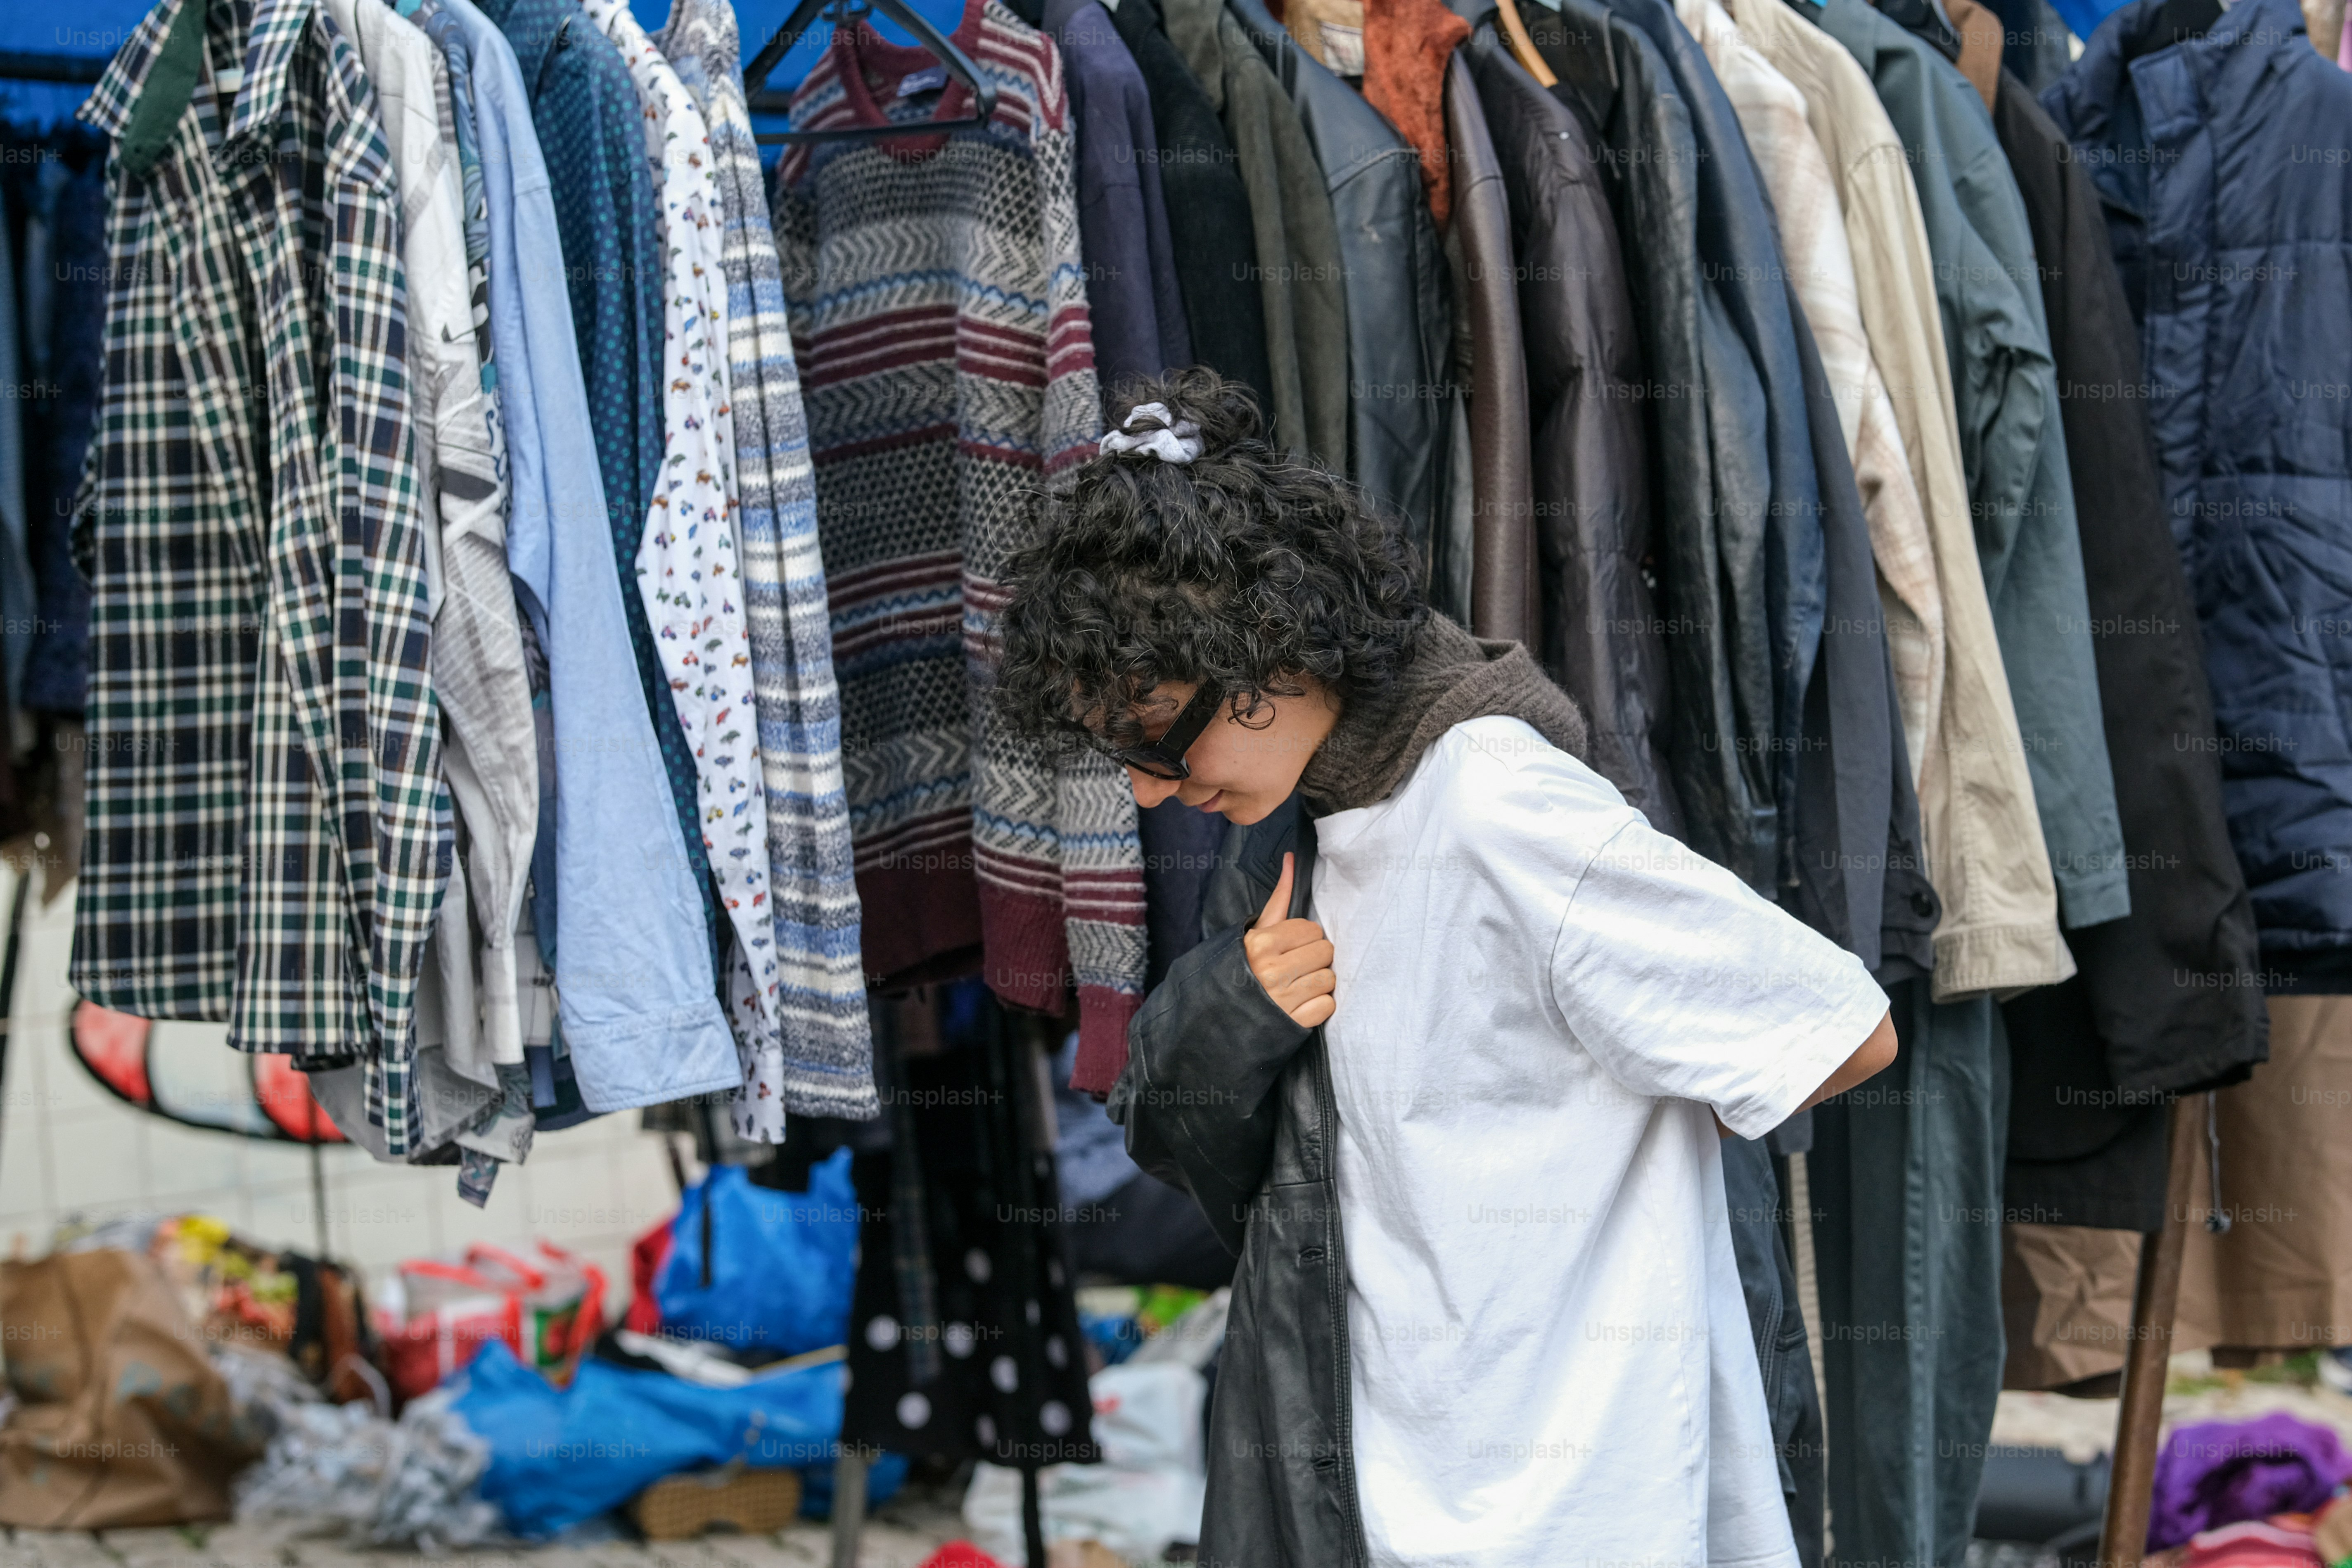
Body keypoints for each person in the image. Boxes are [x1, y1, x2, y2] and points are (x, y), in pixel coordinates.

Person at [996, 369, 1898, 1568]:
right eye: (1120, 753)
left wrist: (1634, 1182)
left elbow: (1839, 1030)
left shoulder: (1496, 800)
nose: (1151, 787)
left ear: (1265, 643)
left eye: (1157, 732)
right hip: (1385, 1479)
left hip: (1581, 1504)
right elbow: (1207, 1163)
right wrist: (1232, 1004)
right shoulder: (1297, 830)